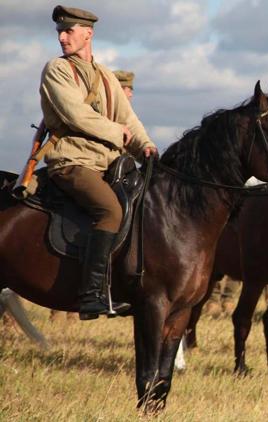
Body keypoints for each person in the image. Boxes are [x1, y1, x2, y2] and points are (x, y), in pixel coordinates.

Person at [41, 5, 157, 319]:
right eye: (60, 32)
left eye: (69, 31)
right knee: (110, 210)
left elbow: (128, 119)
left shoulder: (105, 75)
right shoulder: (57, 69)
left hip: (106, 165)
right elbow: (75, 115)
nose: (63, 38)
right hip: (72, 161)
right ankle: (91, 296)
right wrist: (117, 133)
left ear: (87, 34)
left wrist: (145, 146)